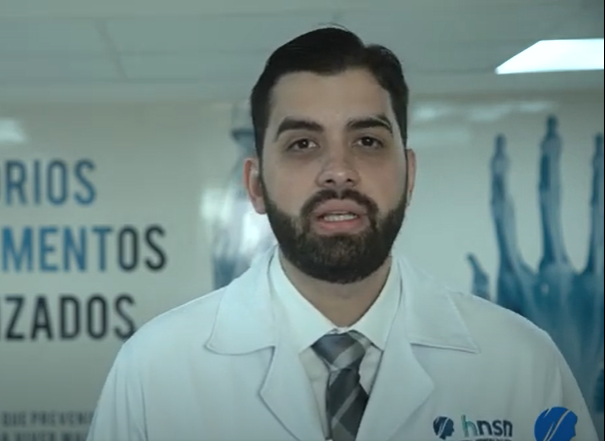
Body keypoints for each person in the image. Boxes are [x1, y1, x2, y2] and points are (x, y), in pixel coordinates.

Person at [85, 26, 598, 441]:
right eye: (303, 144)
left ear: (409, 176)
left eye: (368, 141)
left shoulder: (520, 363)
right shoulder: (155, 371)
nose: (338, 171)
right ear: (256, 185)